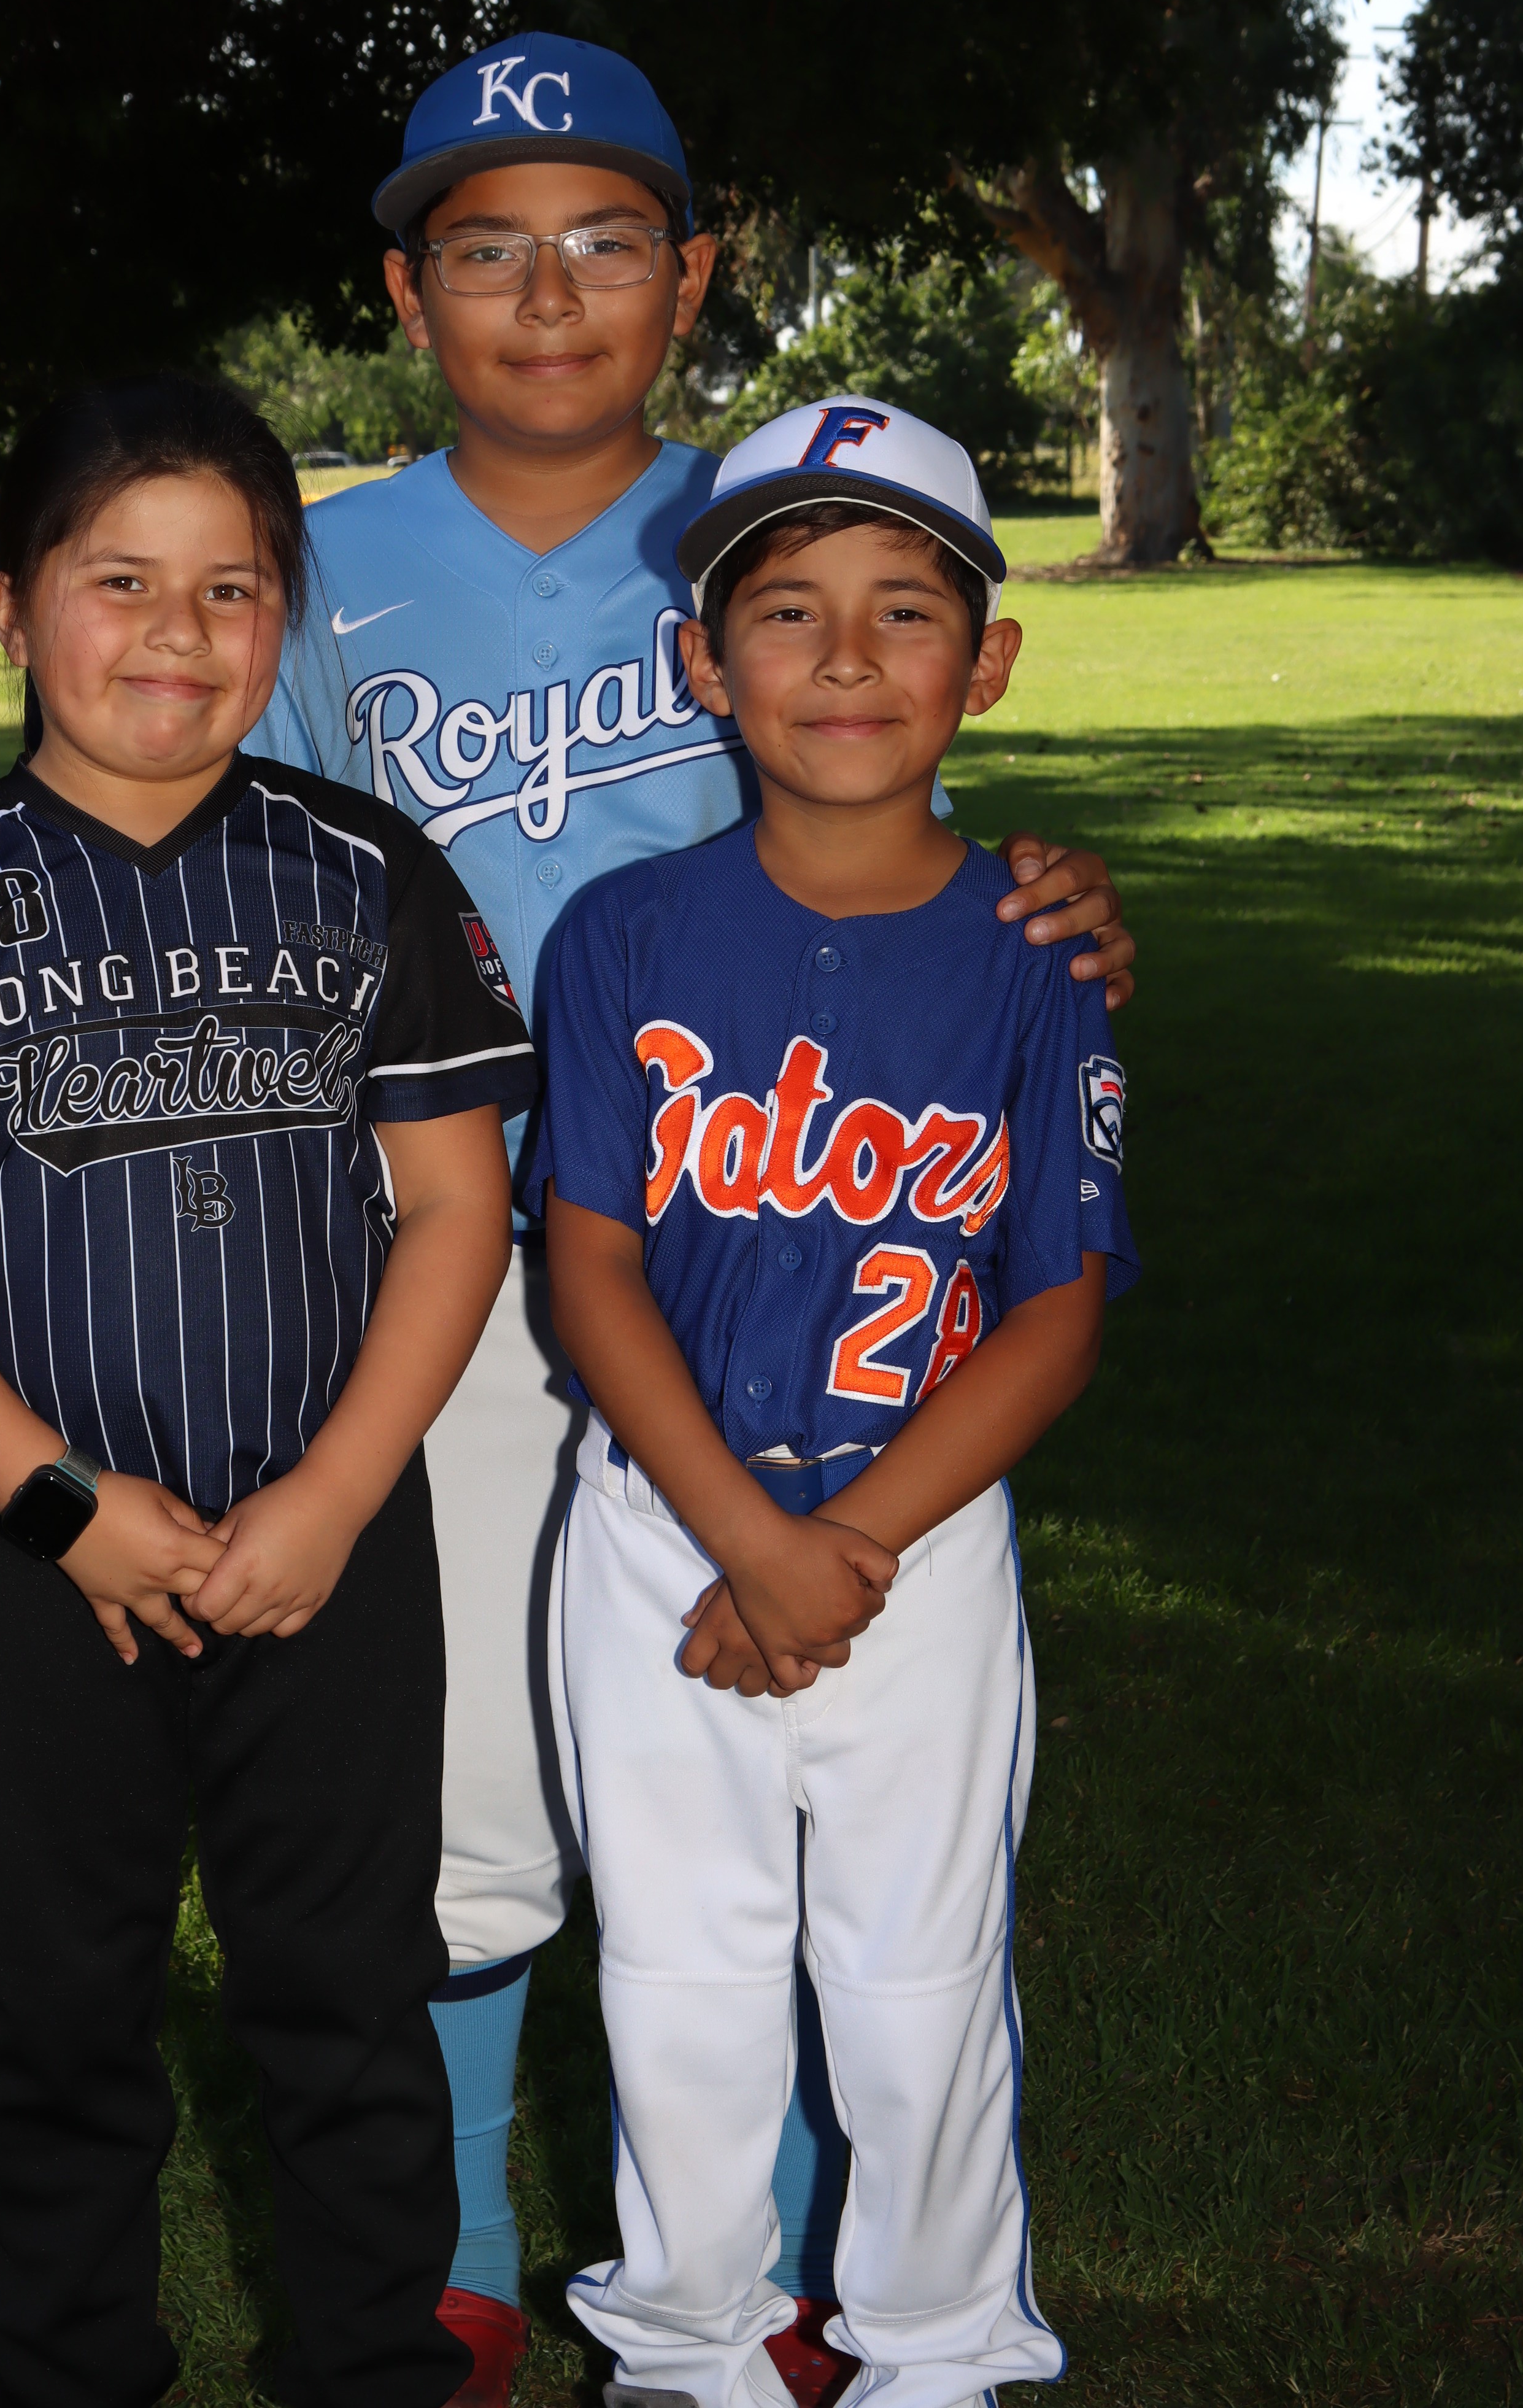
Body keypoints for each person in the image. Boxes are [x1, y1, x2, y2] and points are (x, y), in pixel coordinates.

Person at [0, 36, 1135, 2408]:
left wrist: (1044, 894)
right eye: (488, 249)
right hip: (402, 1246)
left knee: (764, 1773)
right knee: (445, 1808)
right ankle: (436, 2248)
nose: (550, 298)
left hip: (742, 1247)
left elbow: (884, 786)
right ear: (406, 292)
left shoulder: (766, 524)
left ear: (695, 274)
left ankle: (803, 2264)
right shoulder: (320, 559)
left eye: (608, 241)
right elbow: (154, 767)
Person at [0, 376, 537, 2408]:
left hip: (325, 1545)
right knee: (57, 2004)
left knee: (349, 1995)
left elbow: (457, 1208)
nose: (178, 634)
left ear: (284, 619)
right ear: (10, 603)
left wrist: (336, 1498)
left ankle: (372, 2368)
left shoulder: (369, 866)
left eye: (231, 589)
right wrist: (61, 1501)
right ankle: (71, 2370)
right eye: (119, 581)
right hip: (27, 1562)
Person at [534, 400, 1139, 2408]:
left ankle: (938, 2349)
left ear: (991, 657)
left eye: (908, 609)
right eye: (787, 611)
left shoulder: (1039, 951)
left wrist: (844, 1547)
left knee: (915, 1983)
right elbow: (591, 1266)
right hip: (665, 1532)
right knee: (679, 1977)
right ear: (705, 665)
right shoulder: (624, 936)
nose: (850, 657)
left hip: (917, 1538)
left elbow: (1057, 1308)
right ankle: (690, 2346)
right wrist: (751, 1543)